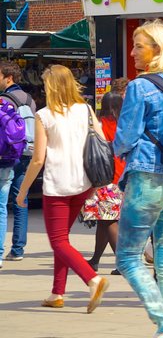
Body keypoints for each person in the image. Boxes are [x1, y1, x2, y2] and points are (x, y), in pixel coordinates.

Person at [114, 20, 163, 338]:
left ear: (156, 51)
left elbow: (125, 138)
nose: (132, 52)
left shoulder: (139, 87)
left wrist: (112, 149)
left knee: (129, 255)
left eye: (138, 46)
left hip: (147, 177)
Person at [15, 65, 109, 312]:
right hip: (82, 183)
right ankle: (57, 293)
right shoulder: (85, 110)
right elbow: (101, 140)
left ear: (51, 87)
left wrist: (23, 192)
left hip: (57, 185)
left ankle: (92, 279)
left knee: (58, 242)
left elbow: (37, 159)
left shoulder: (44, 115)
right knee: (63, 241)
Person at [81, 92, 126, 275]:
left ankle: (123, 263)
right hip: (122, 175)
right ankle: (95, 259)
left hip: (104, 177)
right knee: (104, 220)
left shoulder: (99, 124)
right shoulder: (125, 125)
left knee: (108, 220)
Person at [1, 60, 37, 265]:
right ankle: (18, 248)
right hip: (28, 152)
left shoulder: (4, 99)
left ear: (9, 77)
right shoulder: (30, 99)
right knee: (20, 198)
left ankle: (3, 248)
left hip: (9, 154)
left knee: (2, 202)